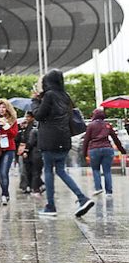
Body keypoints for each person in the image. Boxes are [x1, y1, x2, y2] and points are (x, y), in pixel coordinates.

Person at [31, 69, 95, 217]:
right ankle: (82, 197)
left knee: (48, 170)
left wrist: (35, 101)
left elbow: (39, 115)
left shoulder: (49, 95)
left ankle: (51, 206)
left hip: (49, 140)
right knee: (60, 170)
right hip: (64, 140)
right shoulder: (65, 96)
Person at [82, 108, 126, 196]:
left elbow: (86, 140)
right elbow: (115, 139)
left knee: (95, 169)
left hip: (94, 150)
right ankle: (109, 192)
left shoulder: (91, 125)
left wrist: (84, 153)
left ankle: (98, 188)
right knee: (107, 171)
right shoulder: (107, 125)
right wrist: (122, 150)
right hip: (107, 149)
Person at [22, 111, 44, 196]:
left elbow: (30, 142)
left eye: (28, 117)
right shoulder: (36, 127)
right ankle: (38, 186)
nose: (26, 119)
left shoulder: (32, 129)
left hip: (33, 153)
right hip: (38, 153)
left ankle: (35, 189)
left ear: (32, 117)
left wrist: (26, 150)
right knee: (36, 172)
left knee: (34, 172)